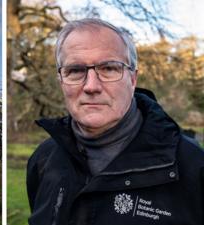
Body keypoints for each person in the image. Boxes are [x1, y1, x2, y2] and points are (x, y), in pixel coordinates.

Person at [26, 18, 204, 225]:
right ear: (61, 81)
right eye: (75, 71)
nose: (91, 86)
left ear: (133, 79)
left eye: (109, 68)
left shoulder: (192, 165)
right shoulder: (43, 158)